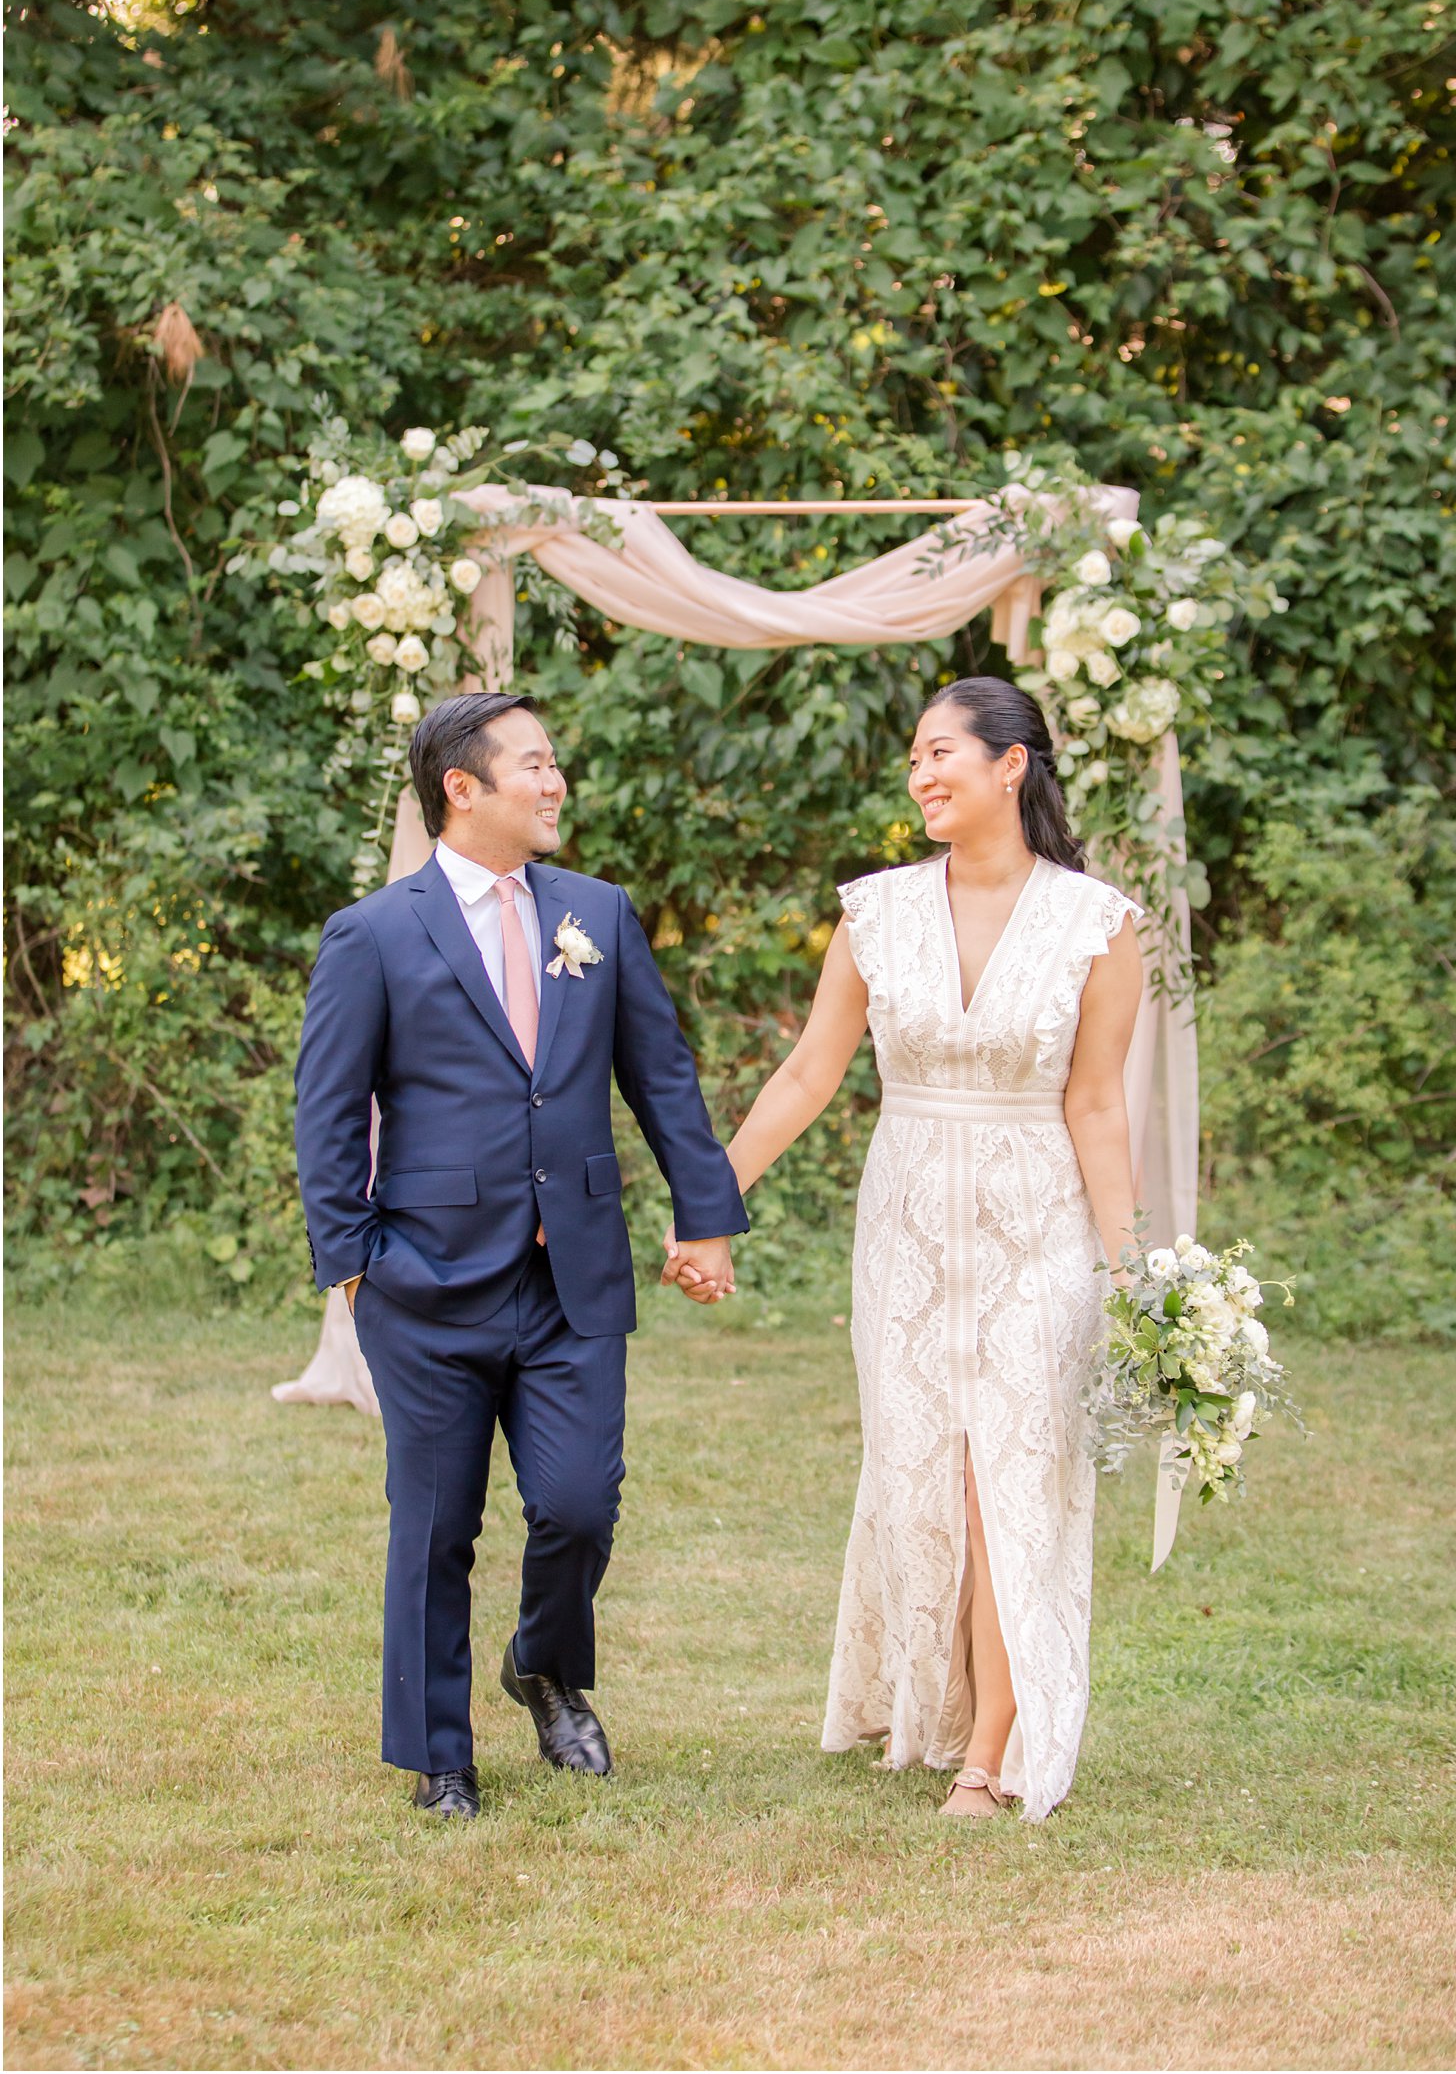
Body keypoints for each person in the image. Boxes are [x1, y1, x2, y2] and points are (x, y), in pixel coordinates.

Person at [670, 677, 1141, 1819]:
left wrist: (1132, 1275)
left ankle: (990, 1751)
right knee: (924, 1468)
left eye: (942, 754)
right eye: (914, 759)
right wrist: (708, 1203)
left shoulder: (1097, 922)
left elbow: (1093, 1105)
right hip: (909, 1225)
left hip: (1038, 1225)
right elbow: (805, 1074)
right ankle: (932, 1707)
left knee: (1006, 1473)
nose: (921, 776)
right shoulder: (875, 911)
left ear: (1010, 764)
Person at [295, 692, 745, 1819]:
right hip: (426, 1278)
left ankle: (543, 1666)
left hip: (573, 1270)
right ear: (463, 788)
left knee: (581, 1504)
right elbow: (327, 1112)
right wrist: (352, 1265)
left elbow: (662, 1077)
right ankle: (439, 1754)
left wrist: (706, 1215)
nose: (554, 782)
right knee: (436, 1522)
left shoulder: (594, 910)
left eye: (553, 763)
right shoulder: (375, 933)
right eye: (533, 764)